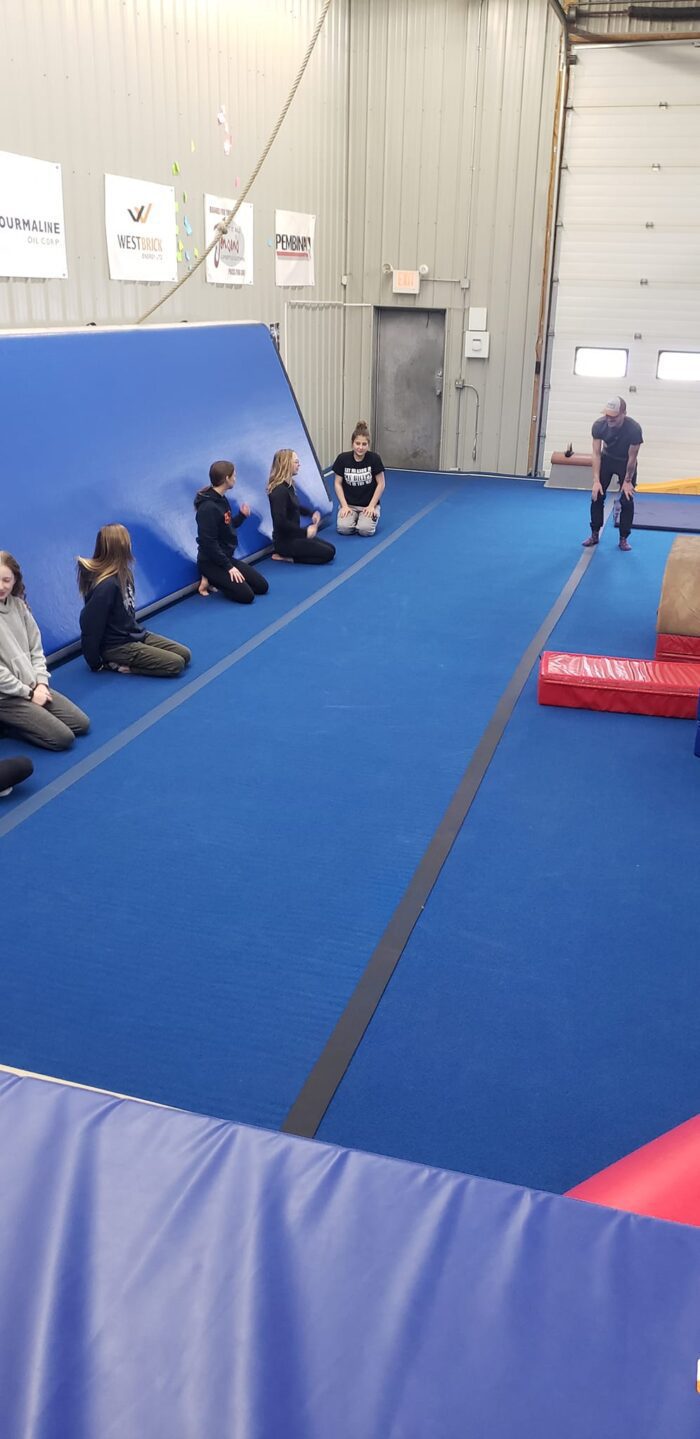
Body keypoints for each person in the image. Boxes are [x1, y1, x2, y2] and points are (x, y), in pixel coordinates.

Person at [0, 550, 90, 751]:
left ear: (15, 579)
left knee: (81, 724)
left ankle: (30, 712)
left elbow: (36, 649)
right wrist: (29, 693)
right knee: (63, 739)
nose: (1, 587)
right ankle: (9, 724)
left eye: (6, 580)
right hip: (6, 697)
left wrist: (41, 683)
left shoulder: (19, 606)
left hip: (32, 686)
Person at [77, 525, 192, 676]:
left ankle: (131, 655)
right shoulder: (107, 586)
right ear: (122, 547)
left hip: (134, 634)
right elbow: (89, 625)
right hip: (116, 646)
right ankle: (120, 666)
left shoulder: (125, 573)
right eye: (128, 541)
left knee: (185, 654)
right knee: (175, 664)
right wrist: (95, 662)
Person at [194, 460, 269, 604]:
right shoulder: (207, 509)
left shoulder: (221, 499)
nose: (235, 478)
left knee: (261, 587)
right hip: (211, 562)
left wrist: (242, 516)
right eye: (234, 476)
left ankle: (213, 579)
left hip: (225, 557)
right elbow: (208, 543)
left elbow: (227, 525)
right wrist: (229, 567)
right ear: (226, 479)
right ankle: (209, 577)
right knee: (247, 596)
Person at [583, 397, 643, 553]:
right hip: (607, 459)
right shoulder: (599, 425)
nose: (609, 419)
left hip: (625, 462)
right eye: (607, 415)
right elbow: (596, 454)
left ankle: (623, 538)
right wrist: (596, 481)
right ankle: (594, 533)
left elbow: (632, 458)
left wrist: (627, 481)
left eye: (613, 417)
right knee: (596, 495)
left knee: (627, 500)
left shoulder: (634, 429)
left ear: (624, 414)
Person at [267, 450, 335, 565]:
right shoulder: (278, 491)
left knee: (331, 549)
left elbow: (294, 506)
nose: (299, 465)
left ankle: (291, 555)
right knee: (327, 554)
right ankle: (288, 558)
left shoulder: (288, 485)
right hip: (285, 542)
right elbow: (280, 522)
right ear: (287, 464)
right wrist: (304, 532)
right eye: (296, 462)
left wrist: (310, 513)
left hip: (295, 536)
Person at [332, 421, 385, 536]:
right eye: (357, 443)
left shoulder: (374, 459)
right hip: (349, 504)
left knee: (365, 531)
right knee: (343, 529)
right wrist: (344, 506)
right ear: (352, 443)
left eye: (364, 444)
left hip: (368, 504)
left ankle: (368, 517)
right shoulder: (342, 459)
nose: (360, 447)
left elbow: (381, 484)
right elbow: (337, 483)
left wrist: (372, 506)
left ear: (368, 445)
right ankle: (353, 517)